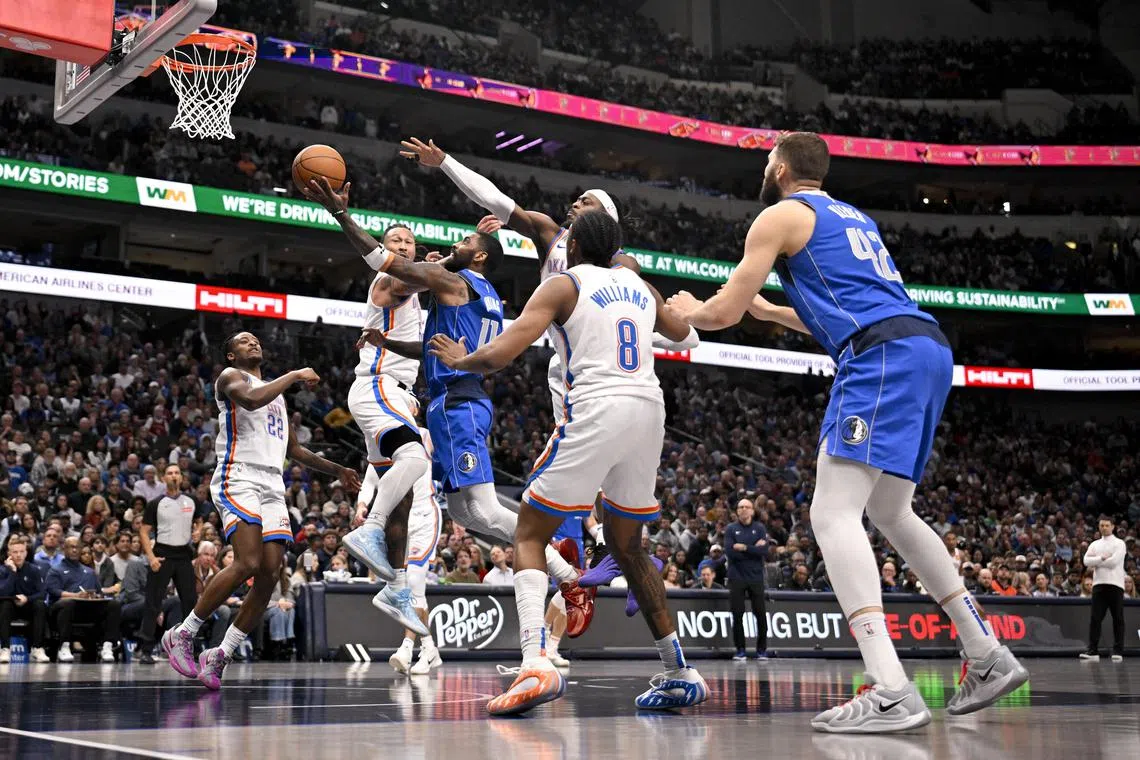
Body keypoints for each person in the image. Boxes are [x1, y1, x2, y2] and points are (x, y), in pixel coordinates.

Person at [665, 132, 1027, 732]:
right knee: (893, 512)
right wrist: (769, 311)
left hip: (880, 358)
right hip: (925, 348)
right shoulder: (851, 217)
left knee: (831, 515)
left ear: (780, 167)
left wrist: (687, 312)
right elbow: (835, 315)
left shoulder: (779, 214)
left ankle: (889, 688)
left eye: (764, 160)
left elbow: (722, 311)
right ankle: (986, 651)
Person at [407, 135, 697, 639]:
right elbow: (495, 200)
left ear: (600, 223)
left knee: (551, 506)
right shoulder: (555, 237)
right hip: (583, 375)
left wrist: (470, 358)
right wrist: (447, 161)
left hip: (594, 376)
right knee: (593, 491)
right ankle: (618, 564)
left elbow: (505, 350)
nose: (572, 204)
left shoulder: (616, 265)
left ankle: (571, 601)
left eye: (583, 202)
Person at [428, 210, 706, 715]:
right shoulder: (637, 283)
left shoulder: (562, 285)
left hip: (599, 406)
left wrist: (460, 360)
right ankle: (679, 669)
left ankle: (536, 663)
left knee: (529, 533)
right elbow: (685, 335)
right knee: (628, 548)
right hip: (649, 409)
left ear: (573, 246)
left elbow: (500, 354)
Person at [303, 176, 584, 611]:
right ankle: (564, 571)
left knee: (485, 508)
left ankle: (567, 575)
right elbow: (431, 346)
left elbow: (383, 261)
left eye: (465, 240)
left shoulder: (453, 282)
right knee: (468, 514)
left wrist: (340, 213)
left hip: (458, 402)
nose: (456, 242)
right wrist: (387, 341)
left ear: (481, 256)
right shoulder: (482, 295)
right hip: (454, 401)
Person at [161, 332, 361, 690]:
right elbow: (251, 400)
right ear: (231, 354)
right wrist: (296, 374)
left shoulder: (277, 397)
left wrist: (338, 470)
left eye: (255, 339)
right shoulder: (230, 378)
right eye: (243, 341)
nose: (252, 343)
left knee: (269, 574)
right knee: (248, 562)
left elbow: (295, 451)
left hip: (271, 484)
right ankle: (184, 633)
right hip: (239, 475)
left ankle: (222, 652)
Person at [339, 220, 432, 640]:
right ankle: (369, 529)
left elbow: (420, 347)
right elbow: (404, 283)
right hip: (379, 388)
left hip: (395, 395)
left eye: (410, 241)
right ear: (384, 248)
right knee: (415, 457)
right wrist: (448, 264)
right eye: (396, 240)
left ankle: (394, 586)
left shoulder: (411, 294)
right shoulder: (388, 279)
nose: (404, 246)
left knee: (404, 500)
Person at [358, 426, 444, 676]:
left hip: (425, 514)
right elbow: (370, 479)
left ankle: (406, 648)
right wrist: (361, 505)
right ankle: (428, 648)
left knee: (415, 582)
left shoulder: (426, 433)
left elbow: (446, 464)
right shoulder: (381, 438)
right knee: (411, 589)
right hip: (400, 521)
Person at [137, 464, 197, 664]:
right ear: (164, 478)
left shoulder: (191, 500)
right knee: (153, 602)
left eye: (177, 473)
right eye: (170, 473)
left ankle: (188, 647)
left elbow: (199, 521)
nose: (173, 476)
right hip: (162, 554)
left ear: (181, 478)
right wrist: (151, 557)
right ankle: (145, 648)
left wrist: (197, 531)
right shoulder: (156, 503)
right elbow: (144, 532)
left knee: (190, 602)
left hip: (184, 555)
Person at [46, 536, 122, 662]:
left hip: (87, 608)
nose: (75, 550)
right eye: (71, 547)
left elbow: (99, 593)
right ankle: (64, 646)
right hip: (63, 609)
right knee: (68, 603)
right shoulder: (56, 570)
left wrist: (95, 597)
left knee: (114, 604)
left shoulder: (89, 572)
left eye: (77, 547)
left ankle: (107, 645)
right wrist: (75, 596)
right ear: (64, 549)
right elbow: (54, 591)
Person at [723, 499, 769, 661]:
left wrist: (743, 547)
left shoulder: (759, 528)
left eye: (746, 507)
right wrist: (753, 548)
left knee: (761, 614)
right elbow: (730, 552)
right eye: (740, 507)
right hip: (737, 577)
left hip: (756, 577)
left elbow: (763, 551)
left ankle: (761, 650)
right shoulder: (731, 529)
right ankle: (740, 650)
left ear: (752, 510)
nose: (743, 509)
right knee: (737, 614)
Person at [1080, 516, 1126, 662]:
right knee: (1095, 618)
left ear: (1113, 526)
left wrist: (1097, 561)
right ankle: (1092, 651)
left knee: (1117, 618)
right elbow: (1086, 561)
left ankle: (1118, 650)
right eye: (1101, 525)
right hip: (1098, 584)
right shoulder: (1094, 544)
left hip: (1115, 584)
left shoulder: (1119, 543)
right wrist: (1101, 558)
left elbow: (1113, 562)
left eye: (1107, 525)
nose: (1104, 528)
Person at [0, 536, 50, 663]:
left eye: (21, 551)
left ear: (26, 552)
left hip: (28, 605)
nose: (18, 555)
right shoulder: (2, 570)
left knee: (40, 605)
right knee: (4, 604)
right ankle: (5, 649)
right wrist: (13, 571)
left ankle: (37, 648)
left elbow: (42, 593)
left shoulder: (33, 570)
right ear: (9, 554)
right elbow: (3, 593)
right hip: (10, 606)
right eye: (15, 552)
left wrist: (27, 599)